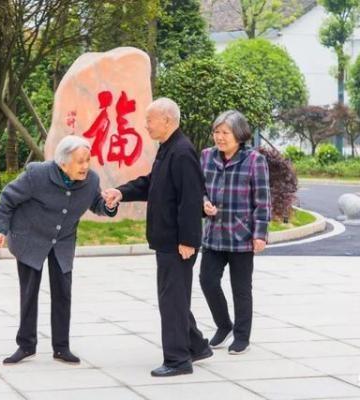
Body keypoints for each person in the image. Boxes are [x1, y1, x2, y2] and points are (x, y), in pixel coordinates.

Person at [103, 98, 213, 377]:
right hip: (167, 239)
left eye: (150, 120)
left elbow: (191, 200)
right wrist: (122, 192)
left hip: (178, 243)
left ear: (167, 120)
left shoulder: (183, 152)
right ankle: (197, 346)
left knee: (172, 300)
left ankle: (178, 360)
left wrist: (188, 240)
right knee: (174, 297)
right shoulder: (168, 149)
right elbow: (152, 183)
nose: (145, 125)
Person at [0, 136, 117, 365]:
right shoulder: (37, 175)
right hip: (30, 237)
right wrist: (0, 229)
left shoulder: (90, 181)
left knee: (63, 292)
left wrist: (108, 204)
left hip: (62, 241)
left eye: (88, 160)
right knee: (29, 293)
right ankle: (26, 345)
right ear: (63, 162)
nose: (85, 166)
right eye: (80, 161)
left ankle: (61, 347)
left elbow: (97, 204)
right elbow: (8, 198)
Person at [199, 110, 271, 355]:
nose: (219, 137)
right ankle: (223, 325)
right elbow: (199, 189)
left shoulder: (254, 160)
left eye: (225, 133)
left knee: (241, 289)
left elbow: (263, 200)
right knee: (207, 281)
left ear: (239, 134)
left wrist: (260, 234)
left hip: (242, 235)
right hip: (213, 234)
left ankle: (241, 336)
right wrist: (203, 202)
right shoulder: (207, 157)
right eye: (216, 132)